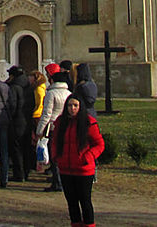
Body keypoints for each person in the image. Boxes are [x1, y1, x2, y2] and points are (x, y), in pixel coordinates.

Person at [51, 95, 105, 227]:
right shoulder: (61, 122)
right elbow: (55, 141)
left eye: (75, 105)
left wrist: (89, 156)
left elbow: (99, 144)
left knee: (85, 201)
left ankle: (89, 225)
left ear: (80, 107)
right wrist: (56, 156)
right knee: (71, 202)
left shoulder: (88, 122)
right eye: (70, 105)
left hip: (83, 170)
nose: (72, 108)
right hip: (66, 169)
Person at [36, 69, 72, 192]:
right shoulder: (68, 93)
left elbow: (47, 114)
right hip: (66, 126)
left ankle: (57, 182)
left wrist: (39, 130)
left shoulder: (51, 93)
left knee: (54, 155)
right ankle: (63, 180)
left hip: (53, 127)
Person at [6, 65, 31, 182]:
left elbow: (12, 106)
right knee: (26, 148)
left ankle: (19, 174)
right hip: (28, 121)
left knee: (16, 149)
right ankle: (26, 172)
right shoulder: (29, 86)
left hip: (17, 122)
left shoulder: (14, 87)